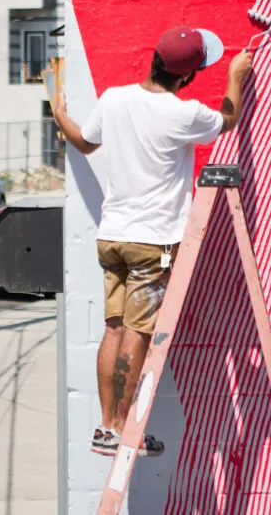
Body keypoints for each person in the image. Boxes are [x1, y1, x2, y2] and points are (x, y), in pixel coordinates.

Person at [53, 25, 253, 457]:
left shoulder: (114, 99)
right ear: (187, 77)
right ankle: (124, 430)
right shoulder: (184, 114)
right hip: (154, 244)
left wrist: (59, 114)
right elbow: (230, 117)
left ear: (154, 59)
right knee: (138, 333)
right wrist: (236, 74)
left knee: (113, 327)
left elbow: (85, 143)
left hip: (113, 237)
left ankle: (106, 425)